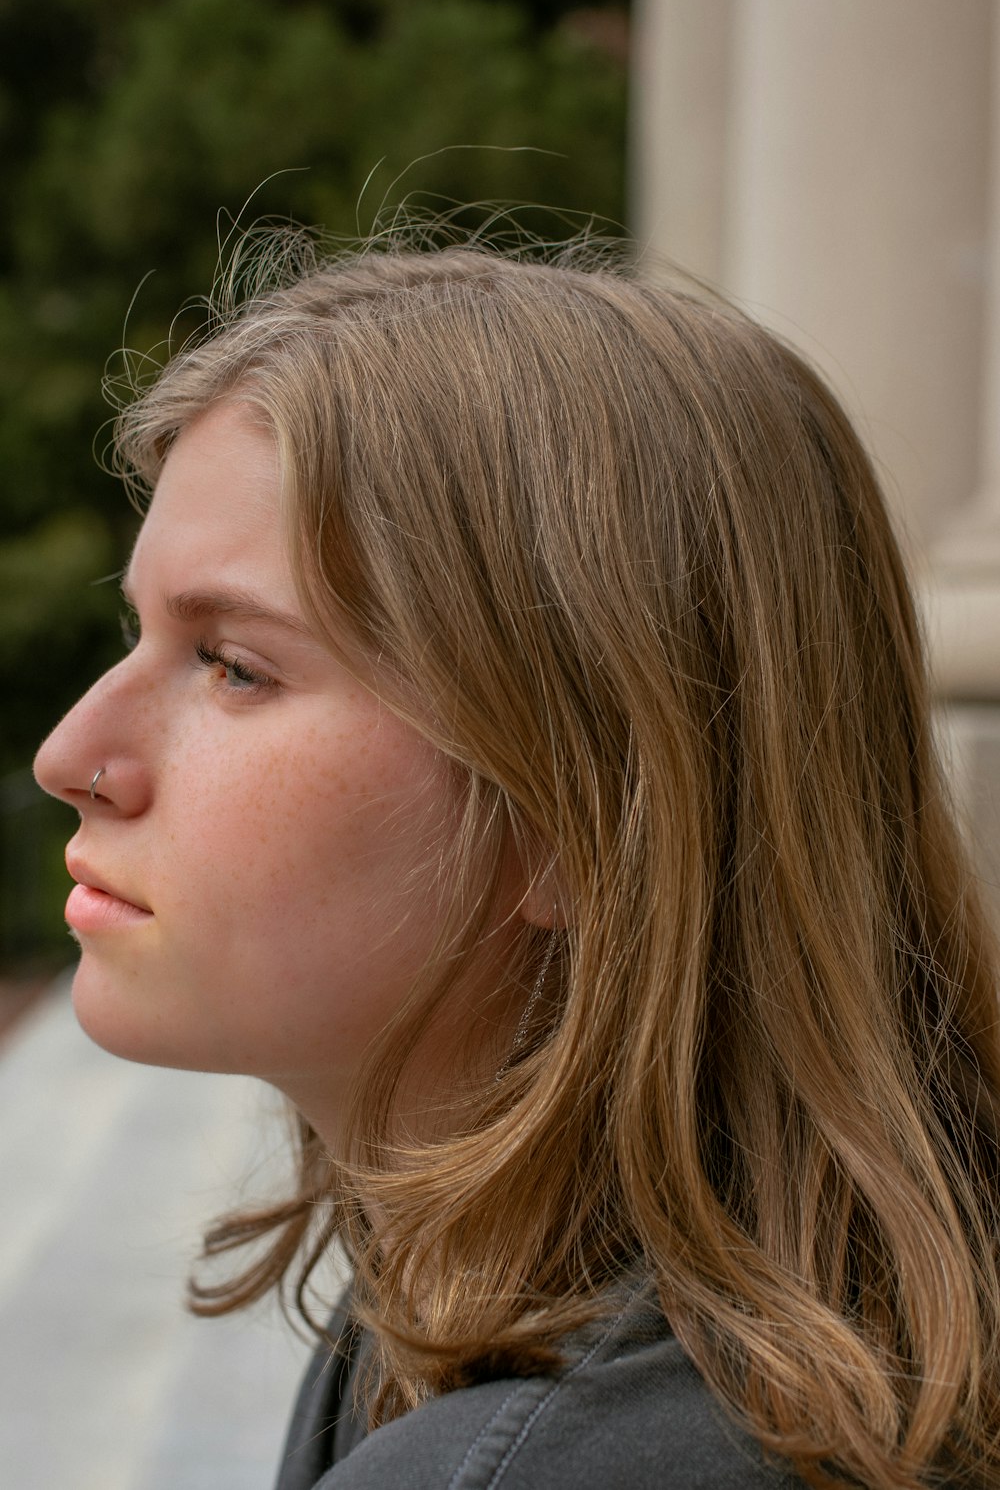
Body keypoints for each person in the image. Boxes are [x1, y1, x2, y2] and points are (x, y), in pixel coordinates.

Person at [33, 235, 1000, 1490]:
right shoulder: (457, 1321)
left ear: (576, 816)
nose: (74, 753)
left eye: (234, 665)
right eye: (142, 632)